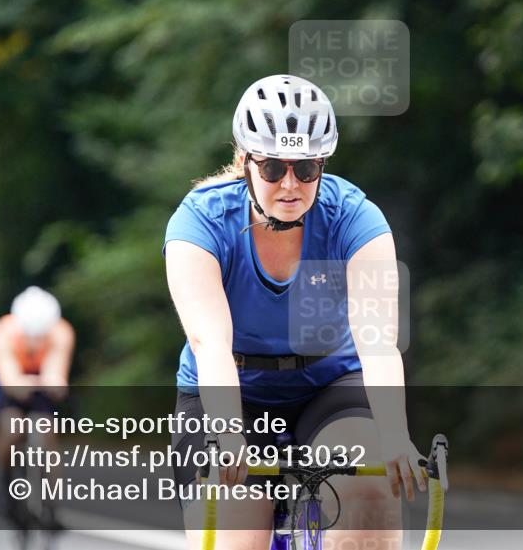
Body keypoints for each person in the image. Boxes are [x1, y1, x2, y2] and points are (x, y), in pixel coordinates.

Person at [163, 75, 425, 550]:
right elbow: (209, 343)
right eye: (272, 169)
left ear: (322, 164)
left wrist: (394, 434)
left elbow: (378, 341)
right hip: (232, 390)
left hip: (328, 384)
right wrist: (225, 432)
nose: (289, 184)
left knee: (368, 497)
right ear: (245, 162)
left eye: (305, 169)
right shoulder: (199, 221)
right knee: (235, 535)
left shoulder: (354, 217)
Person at [0, 286, 74, 527]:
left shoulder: (61, 331)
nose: (35, 340)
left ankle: (52, 505)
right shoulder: (2, 333)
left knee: (47, 432)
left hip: (40, 375)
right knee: (13, 426)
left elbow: (56, 370)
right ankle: (4, 477)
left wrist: (55, 383)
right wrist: (18, 385)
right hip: (9, 375)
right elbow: (8, 377)